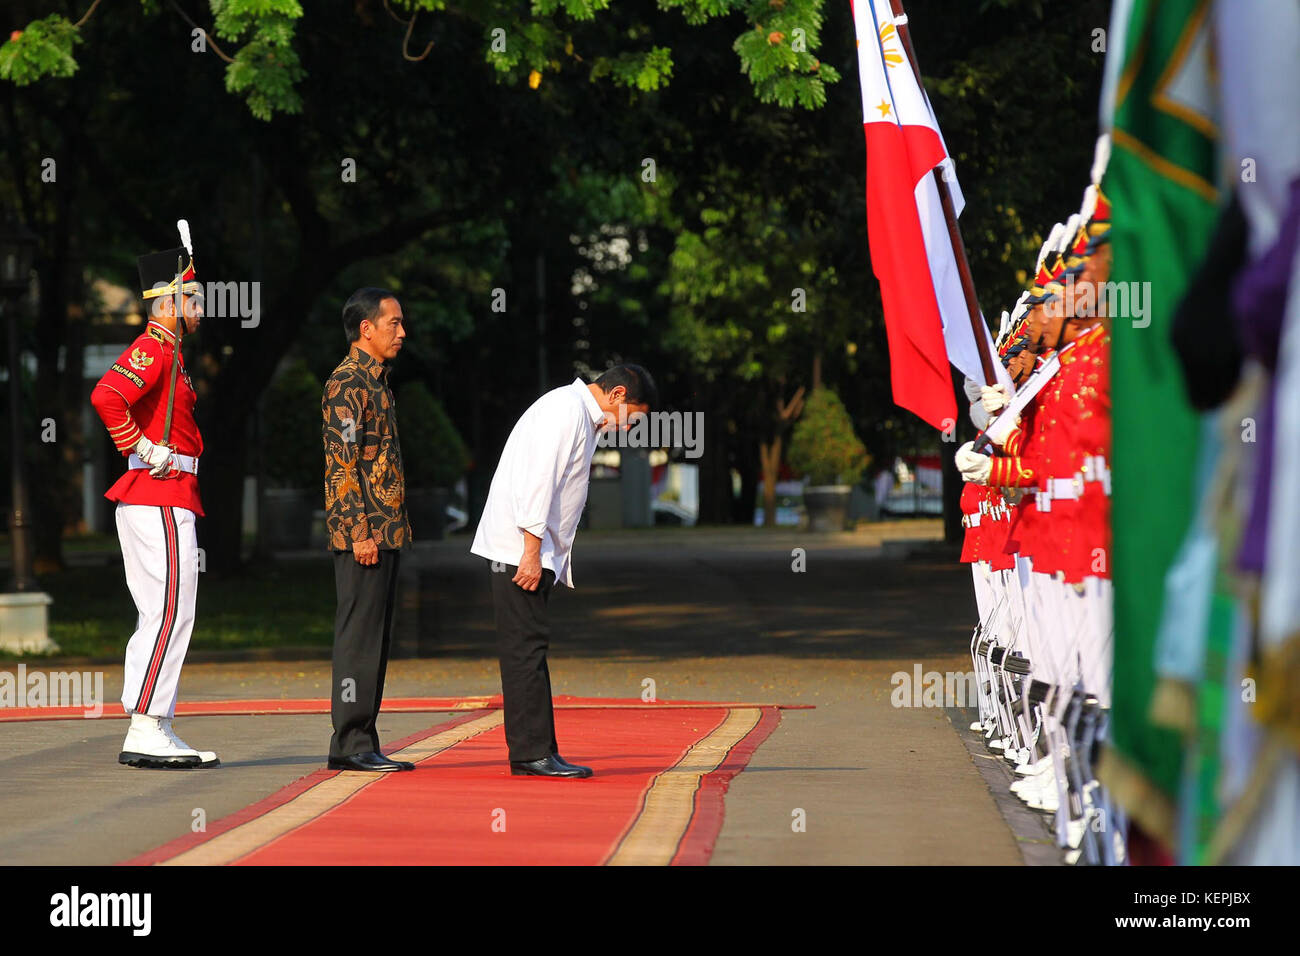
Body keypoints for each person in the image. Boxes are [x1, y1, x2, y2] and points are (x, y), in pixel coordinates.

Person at [470, 365, 657, 777]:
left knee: (530, 646)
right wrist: (532, 552)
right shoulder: (566, 411)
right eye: (633, 419)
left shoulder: (577, 412)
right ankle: (531, 753)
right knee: (525, 650)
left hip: (526, 548)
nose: (628, 429)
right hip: (518, 549)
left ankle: (539, 749)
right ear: (618, 394)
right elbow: (537, 483)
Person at [90, 234, 217, 769]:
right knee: (170, 608)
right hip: (158, 492)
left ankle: (152, 721)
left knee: (161, 610)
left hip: (164, 494)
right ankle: (147, 724)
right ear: (168, 301)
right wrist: (140, 447)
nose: (201, 305)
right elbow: (106, 395)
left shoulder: (173, 352)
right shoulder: (157, 347)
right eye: (193, 296)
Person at [321, 288, 413, 772]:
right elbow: (342, 465)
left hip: (385, 531)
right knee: (358, 637)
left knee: (375, 638)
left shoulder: (377, 383)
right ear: (366, 329)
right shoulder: (347, 385)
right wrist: (360, 532)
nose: (402, 332)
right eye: (393, 323)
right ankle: (350, 744)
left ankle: (364, 738)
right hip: (364, 536)